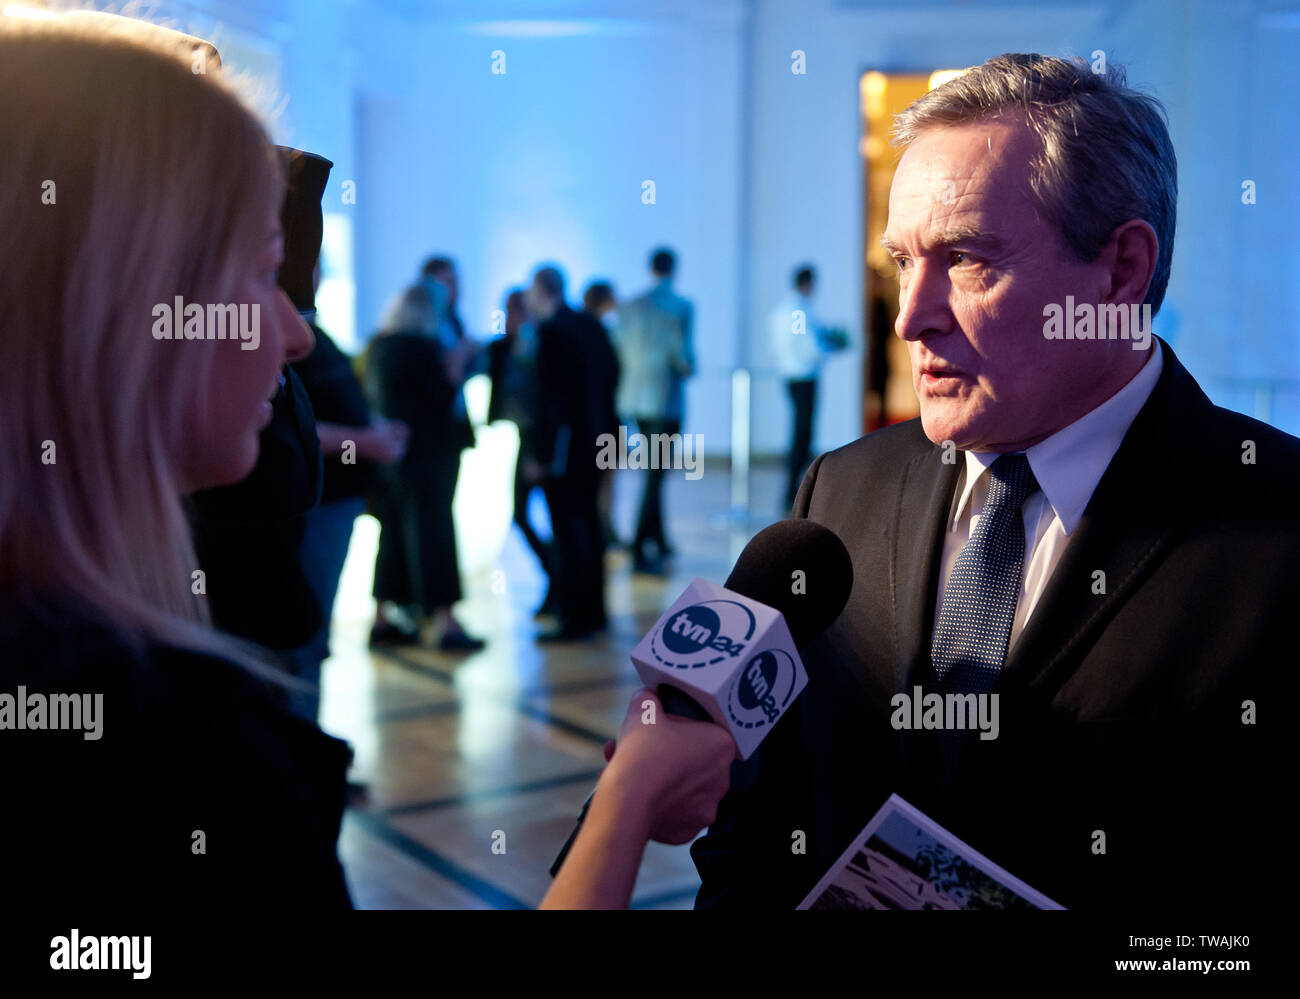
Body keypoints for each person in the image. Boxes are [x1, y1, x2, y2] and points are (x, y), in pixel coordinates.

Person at [692, 53, 1290, 911]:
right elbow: (761, 829)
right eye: (903, 261)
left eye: (967, 259)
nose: (909, 315)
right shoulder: (839, 495)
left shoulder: (1277, 524)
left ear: (1120, 273)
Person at [0, 14, 353, 911]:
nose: (296, 330)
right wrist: (626, 807)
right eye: (262, 272)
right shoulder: (170, 743)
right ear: (124, 309)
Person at [285, 149, 407, 719]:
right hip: (316, 505)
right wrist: (369, 441)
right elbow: (288, 422)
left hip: (333, 502)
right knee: (303, 634)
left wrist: (371, 431)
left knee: (312, 632)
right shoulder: (292, 332)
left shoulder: (310, 330)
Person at [364, 282, 484, 652]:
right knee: (434, 533)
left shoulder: (380, 346)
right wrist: (457, 363)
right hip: (430, 456)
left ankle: (384, 617)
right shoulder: (423, 349)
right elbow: (441, 398)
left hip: (394, 456)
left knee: (395, 535)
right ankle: (444, 622)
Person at [526, 265, 610, 641]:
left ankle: (575, 617)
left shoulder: (552, 331)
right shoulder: (591, 325)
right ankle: (595, 613)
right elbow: (611, 377)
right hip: (595, 442)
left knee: (568, 530)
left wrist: (540, 455)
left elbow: (550, 401)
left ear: (542, 290)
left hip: (565, 449)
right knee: (590, 526)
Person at [612, 248, 695, 573]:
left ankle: (657, 537)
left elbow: (618, 348)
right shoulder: (680, 307)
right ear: (673, 269)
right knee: (655, 471)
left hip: (632, 399)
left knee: (653, 468)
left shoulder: (630, 306)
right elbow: (682, 356)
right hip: (664, 399)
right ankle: (638, 541)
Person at [488, 288, 556, 614]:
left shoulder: (535, 347)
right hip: (528, 439)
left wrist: (540, 455)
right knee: (522, 515)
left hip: (538, 442)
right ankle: (556, 578)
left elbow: (542, 402)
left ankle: (558, 580)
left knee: (535, 515)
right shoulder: (508, 347)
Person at [768, 264, 848, 511]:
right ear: (808, 283)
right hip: (803, 376)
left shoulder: (783, 310)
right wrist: (829, 349)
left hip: (790, 375)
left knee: (801, 433)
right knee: (802, 434)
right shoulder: (798, 312)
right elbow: (806, 346)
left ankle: (795, 485)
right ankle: (794, 488)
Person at [582, 280, 622, 551]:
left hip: (600, 417)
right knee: (603, 478)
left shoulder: (592, 331)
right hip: (603, 418)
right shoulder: (599, 334)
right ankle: (603, 527)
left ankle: (603, 527)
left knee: (603, 478)